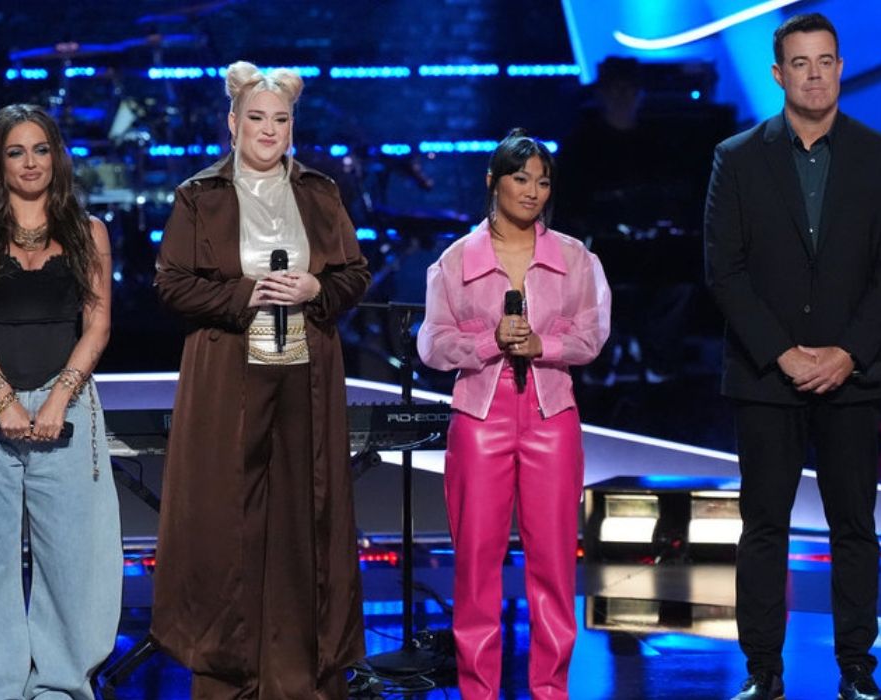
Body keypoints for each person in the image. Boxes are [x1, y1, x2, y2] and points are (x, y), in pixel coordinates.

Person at [703, 13, 881, 700]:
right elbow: (724, 270)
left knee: (855, 527)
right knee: (764, 526)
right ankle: (764, 672)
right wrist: (784, 355)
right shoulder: (736, 158)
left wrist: (847, 352)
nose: (815, 74)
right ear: (778, 74)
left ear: (841, 67)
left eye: (826, 61)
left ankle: (857, 672)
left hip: (855, 375)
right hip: (769, 379)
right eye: (801, 63)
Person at [151, 61, 370, 700]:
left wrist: (315, 287)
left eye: (280, 120)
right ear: (233, 123)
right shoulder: (201, 194)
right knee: (226, 516)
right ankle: (228, 669)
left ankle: (299, 671)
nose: (268, 130)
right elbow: (171, 283)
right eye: (256, 118)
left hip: (307, 374)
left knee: (307, 513)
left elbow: (354, 273)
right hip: (229, 375)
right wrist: (246, 294)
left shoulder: (320, 192)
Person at [0, 103, 122, 700]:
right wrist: (4, 399)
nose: (31, 162)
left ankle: (62, 687)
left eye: (40, 149)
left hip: (67, 406)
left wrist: (58, 398)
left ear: (56, 156)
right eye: (16, 151)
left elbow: (97, 326)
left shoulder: (89, 231)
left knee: (76, 556)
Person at [418, 128, 612, 700]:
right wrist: (488, 344)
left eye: (543, 181)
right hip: (480, 417)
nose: (533, 191)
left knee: (552, 563)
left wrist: (543, 346)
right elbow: (432, 342)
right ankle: (479, 690)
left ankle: (550, 689)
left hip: (553, 414)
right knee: (476, 563)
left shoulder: (575, 257)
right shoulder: (456, 259)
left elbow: (592, 332)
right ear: (492, 182)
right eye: (521, 178)